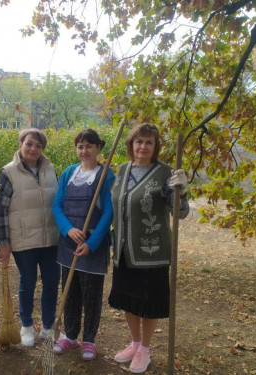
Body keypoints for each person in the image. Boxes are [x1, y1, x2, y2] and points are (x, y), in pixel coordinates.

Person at [108, 123, 189, 373]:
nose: (143, 146)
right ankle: (134, 344)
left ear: (156, 146)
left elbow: (180, 213)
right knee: (129, 301)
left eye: (149, 142)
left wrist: (182, 192)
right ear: (131, 144)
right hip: (123, 249)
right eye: (138, 141)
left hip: (151, 250)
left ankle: (145, 349)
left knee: (148, 301)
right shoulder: (121, 170)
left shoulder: (165, 173)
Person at [52, 129, 115, 361]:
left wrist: (92, 242)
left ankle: (89, 340)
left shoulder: (107, 175)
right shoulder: (69, 173)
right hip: (69, 243)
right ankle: (70, 336)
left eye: (89, 146)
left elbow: (109, 212)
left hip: (92, 245)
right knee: (70, 292)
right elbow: (57, 205)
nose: (84, 150)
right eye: (80, 146)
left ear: (98, 148)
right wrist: (68, 229)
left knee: (91, 295)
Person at [0, 128, 60, 347]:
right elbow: (0, 210)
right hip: (23, 239)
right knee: (28, 282)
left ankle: (48, 326)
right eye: (29, 144)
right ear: (20, 144)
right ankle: (26, 326)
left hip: (51, 238)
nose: (33, 149)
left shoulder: (50, 169)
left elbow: (59, 202)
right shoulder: (8, 172)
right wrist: (4, 242)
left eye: (38, 145)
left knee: (52, 283)